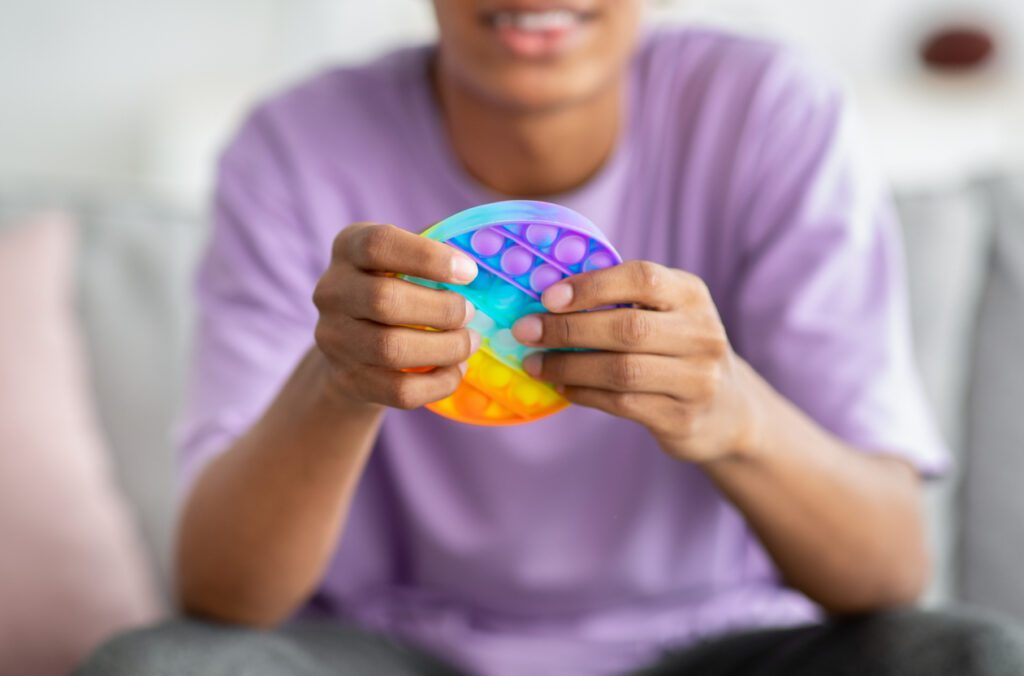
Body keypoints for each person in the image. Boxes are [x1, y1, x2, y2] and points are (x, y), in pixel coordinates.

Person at [78, 1, 1024, 675]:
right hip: (392, 650)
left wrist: (732, 414)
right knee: (156, 667)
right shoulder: (292, 146)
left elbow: (893, 567)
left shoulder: (772, 113)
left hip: (721, 643)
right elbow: (222, 596)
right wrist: (338, 381)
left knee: (970, 656)